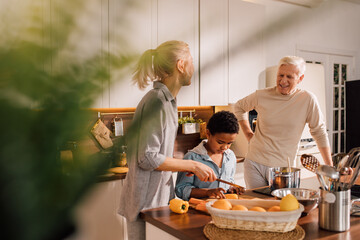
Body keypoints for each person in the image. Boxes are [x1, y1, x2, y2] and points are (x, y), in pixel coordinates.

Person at [118, 40, 217, 240]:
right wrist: (192, 165)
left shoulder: (167, 101)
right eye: (191, 61)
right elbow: (147, 157)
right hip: (146, 204)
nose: (193, 67)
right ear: (180, 65)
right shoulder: (157, 102)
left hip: (157, 201)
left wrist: (182, 166)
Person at [234, 56, 332, 189]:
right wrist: (248, 133)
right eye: (280, 75)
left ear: (300, 78)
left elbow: (319, 132)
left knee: (284, 206)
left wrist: (330, 167)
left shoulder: (307, 99)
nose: (283, 80)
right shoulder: (261, 95)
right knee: (257, 206)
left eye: (289, 77)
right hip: (254, 163)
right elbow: (239, 107)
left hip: (283, 169)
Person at [175, 110, 244, 200]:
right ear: (208, 134)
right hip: (198, 209)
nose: (225, 147)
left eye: (229, 143)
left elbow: (229, 181)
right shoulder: (192, 158)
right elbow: (181, 189)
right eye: (220, 142)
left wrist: (232, 188)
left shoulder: (230, 156)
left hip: (223, 207)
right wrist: (208, 192)